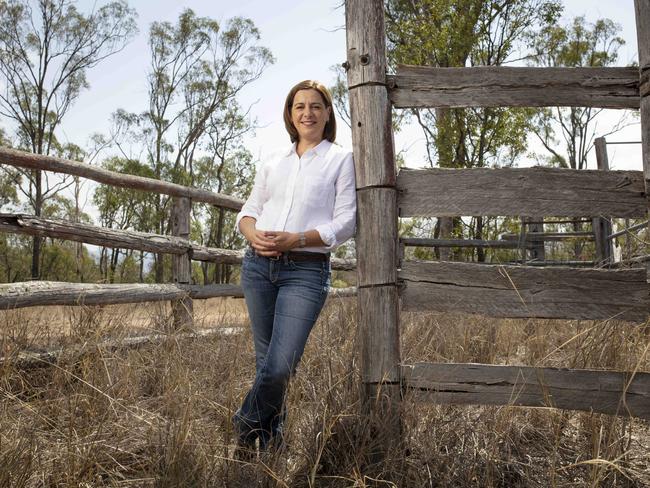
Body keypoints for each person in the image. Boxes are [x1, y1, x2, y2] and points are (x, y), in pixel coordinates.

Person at [232, 80, 356, 457]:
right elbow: (248, 212)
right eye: (299, 106)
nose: (307, 113)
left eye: (316, 106)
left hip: (305, 270)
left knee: (280, 366)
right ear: (290, 114)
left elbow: (346, 221)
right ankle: (268, 445)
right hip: (258, 267)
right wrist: (254, 236)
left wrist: (297, 239)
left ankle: (242, 424)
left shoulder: (341, 159)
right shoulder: (273, 161)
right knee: (266, 364)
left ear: (328, 112)